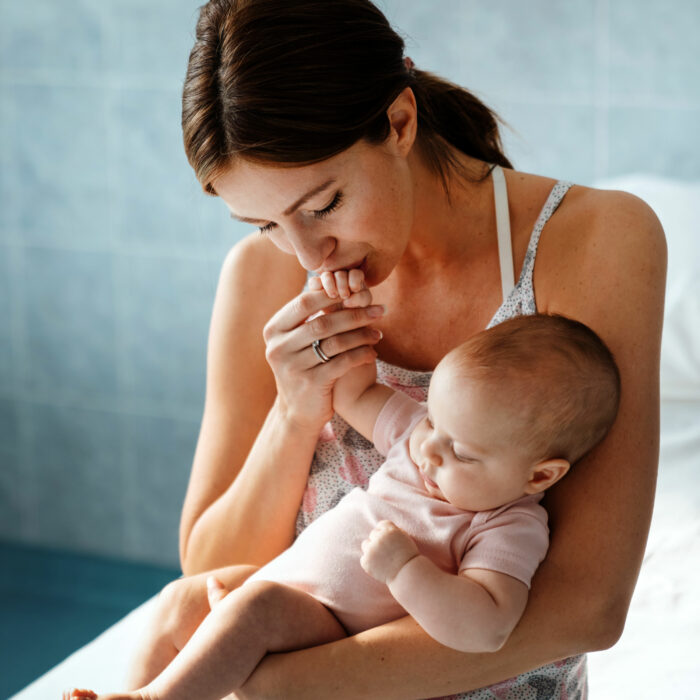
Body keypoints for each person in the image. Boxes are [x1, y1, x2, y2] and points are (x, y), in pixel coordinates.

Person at [94, 0, 666, 697]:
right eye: (266, 221)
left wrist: (273, 686)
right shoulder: (259, 274)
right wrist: (295, 413)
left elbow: (586, 608)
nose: (305, 251)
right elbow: (211, 572)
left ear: (399, 121)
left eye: (323, 204)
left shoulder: (597, 240)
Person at [63, 310, 621, 700]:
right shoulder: (419, 438)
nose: (430, 449)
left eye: (461, 452)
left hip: (335, 627)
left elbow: (486, 628)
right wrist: (345, 320)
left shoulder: (510, 524)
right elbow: (356, 394)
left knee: (252, 613)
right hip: (286, 584)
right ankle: (132, 693)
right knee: (180, 600)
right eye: (434, 421)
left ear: (539, 474)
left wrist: (407, 572)